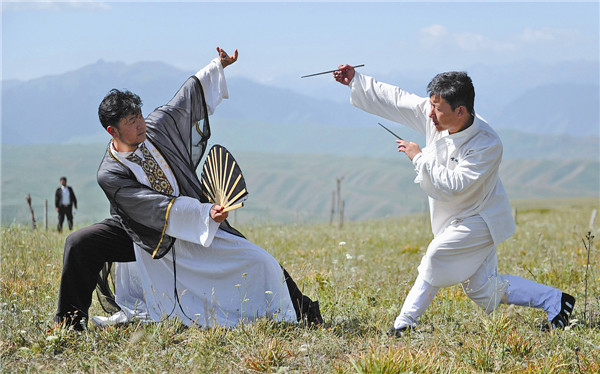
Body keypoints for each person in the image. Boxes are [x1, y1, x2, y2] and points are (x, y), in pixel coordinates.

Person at [53, 47, 321, 331]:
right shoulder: (110, 173)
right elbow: (152, 207)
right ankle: (68, 325)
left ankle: (303, 310)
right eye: (131, 122)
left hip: (193, 222)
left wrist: (217, 66)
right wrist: (203, 213)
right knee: (79, 244)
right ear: (113, 131)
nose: (141, 124)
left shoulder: (155, 129)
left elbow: (184, 100)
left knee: (260, 260)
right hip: (140, 232)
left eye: (140, 116)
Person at [333, 65, 575, 335]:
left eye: (437, 108)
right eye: (431, 104)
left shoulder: (487, 143)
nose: (429, 113)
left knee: (436, 256)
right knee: (483, 289)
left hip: (481, 218)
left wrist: (419, 157)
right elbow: (397, 98)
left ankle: (403, 325)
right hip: (453, 218)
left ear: (460, 111)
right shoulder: (435, 114)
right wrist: (356, 80)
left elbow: (456, 186)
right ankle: (557, 301)